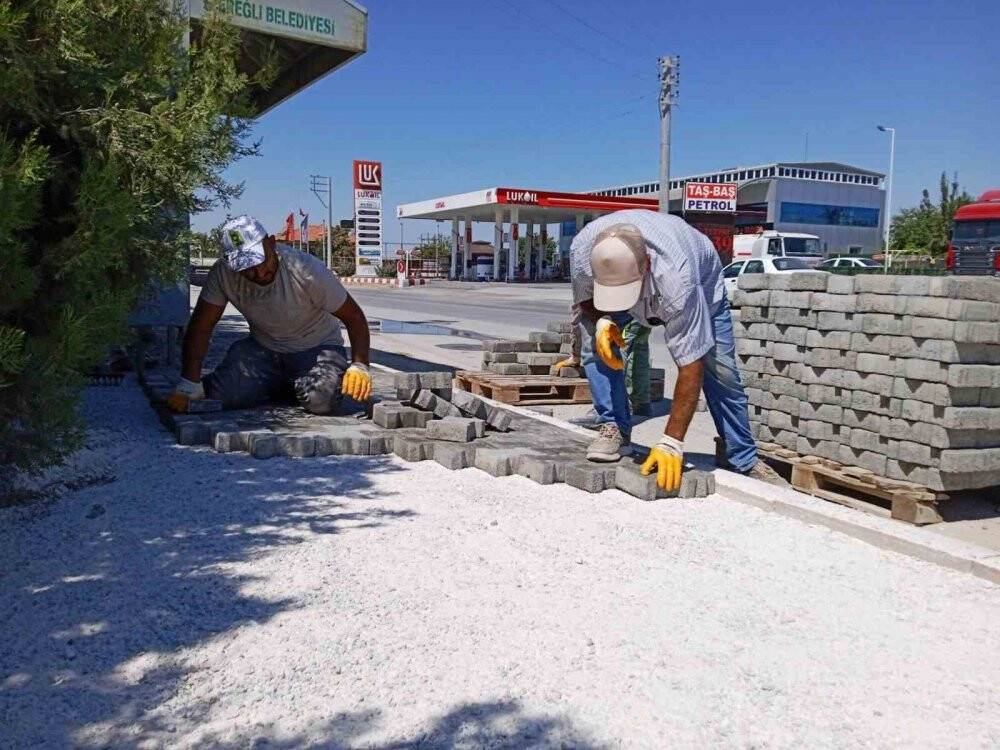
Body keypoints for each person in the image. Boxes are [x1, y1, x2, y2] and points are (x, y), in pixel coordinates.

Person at [570, 209, 783, 491]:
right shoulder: (582, 255)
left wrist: (672, 440)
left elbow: (690, 364)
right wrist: (601, 323)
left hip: (701, 286)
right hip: (630, 276)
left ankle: (742, 457)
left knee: (720, 369)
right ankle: (613, 428)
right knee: (595, 346)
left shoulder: (679, 278)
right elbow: (584, 299)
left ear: (646, 264)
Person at [167, 215, 372, 414]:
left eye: (260, 260)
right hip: (262, 350)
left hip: (317, 349)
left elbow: (354, 317)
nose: (257, 273)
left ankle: (278, 385)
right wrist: (189, 382)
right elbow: (201, 327)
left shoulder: (306, 270)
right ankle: (279, 384)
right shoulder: (223, 274)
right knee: (220, 394)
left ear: (272, 243)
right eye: (245, 268)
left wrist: (360, 364)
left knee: (321, 400)